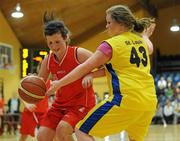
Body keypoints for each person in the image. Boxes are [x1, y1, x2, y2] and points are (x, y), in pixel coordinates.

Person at [46, 5, 158, 141]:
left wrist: (59, 84)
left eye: (109, 22)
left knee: (81, 130)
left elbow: (84, 67)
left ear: (120, 23)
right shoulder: (140, 41)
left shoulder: (110, 45)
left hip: (126, 100)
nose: (106, 26)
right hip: (149, 101)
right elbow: (150, 48)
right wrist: (145, 35)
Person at [36, 12, 95, 141]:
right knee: (42, 136)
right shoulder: (48, 60)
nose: (54, 47)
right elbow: (39, 84)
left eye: (57, 42)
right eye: (50, 43)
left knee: (62, 130)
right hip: (59, 105)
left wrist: (91, 74)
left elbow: (105, 65)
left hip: (81, 103)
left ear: (66, 38)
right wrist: (31, 83)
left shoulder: (78, 53)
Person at [19, 62, 49, 141]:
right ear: (38, 68)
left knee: (48, 135)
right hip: (30, 112)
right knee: (23, 136)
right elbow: (21, 93)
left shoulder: (49, 82)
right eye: (42, 67)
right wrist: (26, 104)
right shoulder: (31, 79)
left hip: (44, 113)